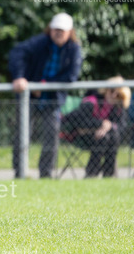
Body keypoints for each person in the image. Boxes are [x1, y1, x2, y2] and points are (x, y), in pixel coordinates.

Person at [8, 13, 83, 178]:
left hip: (53, 99)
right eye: (55, 29)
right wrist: (20, 77)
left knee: (51, 136)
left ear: (69, 32)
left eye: (61, 30)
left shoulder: (74, 49)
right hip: (30, 96)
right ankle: (20, 171)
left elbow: (71, 76)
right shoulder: (40, 43)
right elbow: (17, 53)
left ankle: (46, 174)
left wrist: (44, 85)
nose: (57, 33)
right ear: (50, 29)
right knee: (22, 134)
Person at [60, 76, 131, 178]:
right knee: (104, 137)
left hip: (106, 139)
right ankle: (91, 174)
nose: (114, 95)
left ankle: (108, 175)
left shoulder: (119, 107)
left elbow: (122, 127)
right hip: (80, 136)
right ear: (106, 90)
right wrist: (101, 124)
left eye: (118, 94)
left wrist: (109, 126)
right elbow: (78, 121)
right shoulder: (92, 101)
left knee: (111, 135)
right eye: (112, 91)